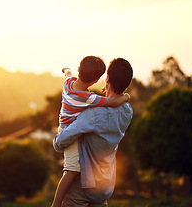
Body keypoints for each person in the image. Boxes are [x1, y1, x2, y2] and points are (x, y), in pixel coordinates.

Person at [53, 57, 133, 207]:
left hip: (83, 184)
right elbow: (112, 106)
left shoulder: (92, 114)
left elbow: (62, 140)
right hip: (104, 184)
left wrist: (56, 143)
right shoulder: (127, 111)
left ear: (107, 79)